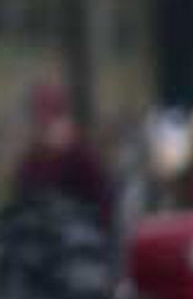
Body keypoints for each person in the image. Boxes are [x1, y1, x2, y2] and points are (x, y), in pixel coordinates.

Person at [7, 77, 117, 218]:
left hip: (79, 229)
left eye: (52, 122)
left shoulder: (83, 158)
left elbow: (104, 202)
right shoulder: (31, 163)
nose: (46, 130)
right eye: (41, 124)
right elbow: (21, 201)